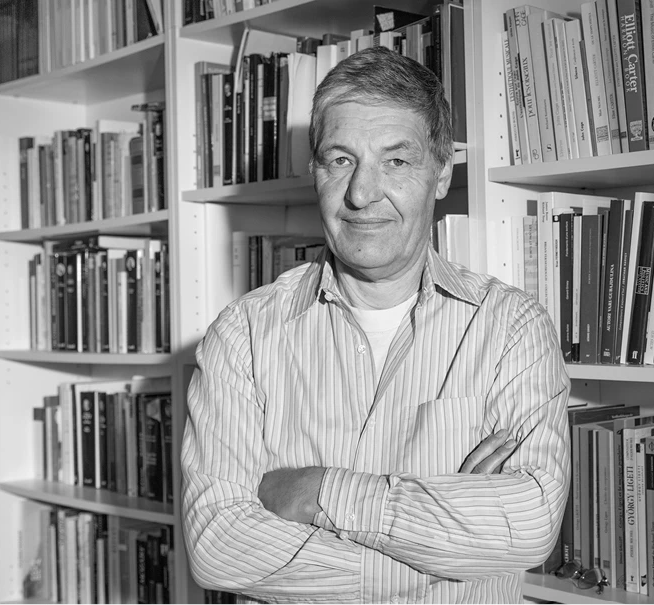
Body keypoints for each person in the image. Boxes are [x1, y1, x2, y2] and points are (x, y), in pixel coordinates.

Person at [181, 46, 571, 604]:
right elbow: (218, 547)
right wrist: (450, 547)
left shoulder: (512, 328)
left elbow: (529, 527)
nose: (362, 194)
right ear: (315, 171)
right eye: (341, 160)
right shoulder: (241, 336)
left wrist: (318, 491)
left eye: (396, 161)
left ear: (442, 173)